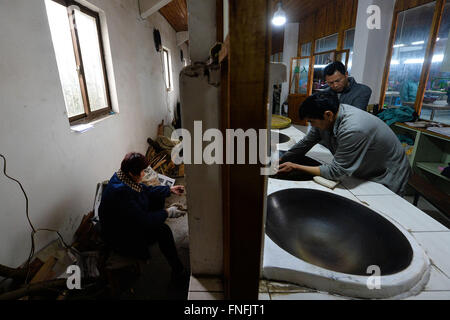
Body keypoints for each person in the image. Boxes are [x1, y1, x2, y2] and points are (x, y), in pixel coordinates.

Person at [278, 92, 411, 195]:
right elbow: (306, 142)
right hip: (365, 167)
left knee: (382, 211)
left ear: (328, 115)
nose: (312, 125)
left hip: (386, 173)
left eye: (312, 121)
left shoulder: (353, 129)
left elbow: (337, 171)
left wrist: (296, 166)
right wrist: (283, 158)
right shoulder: (328, 115)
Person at [98, 152, 187, 278]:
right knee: (163, 231)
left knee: (158, 197)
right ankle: (178, 271)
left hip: (128, 219)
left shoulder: (121, 176)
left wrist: (169, 190)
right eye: (142, 171)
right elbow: (144, 221)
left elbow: (145, 189)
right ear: (131, 173)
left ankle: (159, 219)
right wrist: (168, 212)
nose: (144, 174)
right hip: (121, 236)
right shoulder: (121, 194)